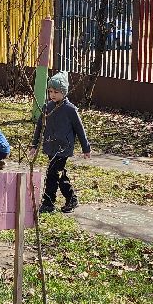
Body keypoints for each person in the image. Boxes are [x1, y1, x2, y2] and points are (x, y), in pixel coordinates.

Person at [30, 72, 91, 213]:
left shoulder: (70, 110)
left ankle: (48, 202)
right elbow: (39, 127)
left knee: (52, 174)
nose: (52, 95)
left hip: (63, 148)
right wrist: (34, 145)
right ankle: (71, 198)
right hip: (51, 146)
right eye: (50, 91)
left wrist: (86, 148)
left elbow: (80, 130)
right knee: (58, 174)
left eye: (56, 92)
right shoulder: (47, 107)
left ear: (64, 92)